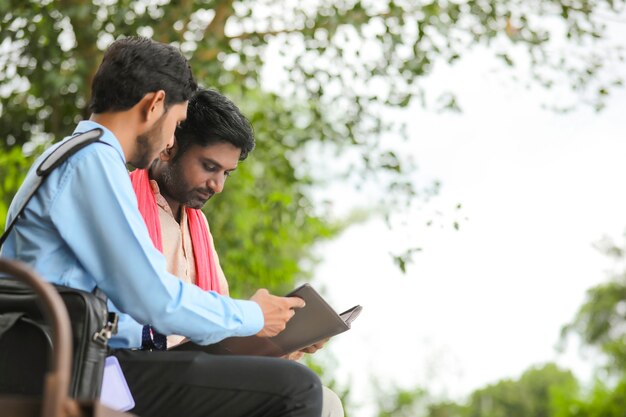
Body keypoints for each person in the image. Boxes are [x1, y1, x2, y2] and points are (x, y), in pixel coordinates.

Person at [1, 36, 322, 417]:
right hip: (66, 369)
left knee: (273, 379)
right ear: (154, 106)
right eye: (177, 122)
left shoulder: (80, 156)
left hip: (74, 358)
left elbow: (128, 304)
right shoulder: (92, 163)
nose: (171, 139)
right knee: (296, 389)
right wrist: (252, 315)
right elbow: (155, 298)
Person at [130, 87, 345, 417]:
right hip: (143, 367)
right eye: (209, 166)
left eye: (225, 173)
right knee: (302, 390)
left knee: (327, 400)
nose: (218, 185)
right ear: (169, 147)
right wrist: (251, 316)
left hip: (197, 369)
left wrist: (286, 343)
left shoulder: (197, 227)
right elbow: (153, 306)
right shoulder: (124, 203)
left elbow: (226, 339)